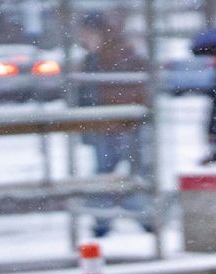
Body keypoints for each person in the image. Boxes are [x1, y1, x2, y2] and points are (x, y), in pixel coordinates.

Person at [77, 11, 152, 237]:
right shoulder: (108, 56)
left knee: (111, 172)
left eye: (87, 34)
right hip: (113, 125)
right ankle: (137, 214)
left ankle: (113, 217)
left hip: (116, 126)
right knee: (120, 172)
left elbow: (126, 90)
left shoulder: (107, 57)